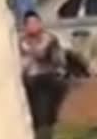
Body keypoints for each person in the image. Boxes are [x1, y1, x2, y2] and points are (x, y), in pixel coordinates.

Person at [19, 11, 68, 139]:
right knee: (37, 113)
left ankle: (45, 132)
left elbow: (58, 60)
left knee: (46, 113)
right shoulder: (21, 43)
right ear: (25, 26)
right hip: (31, 81)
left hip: (49, 79)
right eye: (29, 23)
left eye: (35, 22)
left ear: (40, 23)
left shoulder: (50, 39)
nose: (33, 26)